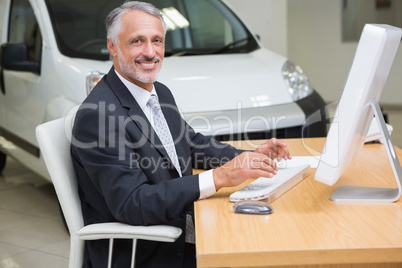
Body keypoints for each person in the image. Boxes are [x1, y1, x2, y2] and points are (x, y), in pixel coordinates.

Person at [70, 1, 291, 267]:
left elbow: (191, 144)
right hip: (147, 252)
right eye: (137, 41)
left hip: (180, 228)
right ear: (112, 46)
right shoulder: (99, 115)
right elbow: (132, 203)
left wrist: (249, 157)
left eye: (157, 40)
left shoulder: (158, 92)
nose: (150, 52)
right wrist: (220, 178)